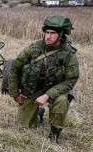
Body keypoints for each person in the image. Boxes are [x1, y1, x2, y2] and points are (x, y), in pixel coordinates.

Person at [7, 15, 79, 143]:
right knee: (25, 126)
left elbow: (71, 79)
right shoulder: (34, 49)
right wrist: (15, 93)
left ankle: (55, 132)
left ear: (61, 35)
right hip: (32, 90)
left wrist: (47, 95)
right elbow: (14, 69)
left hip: (54, 91)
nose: (48, 36)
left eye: (52, 33)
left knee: (62, 101)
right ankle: (39, 113)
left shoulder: (68, 54)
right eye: (47, 32)